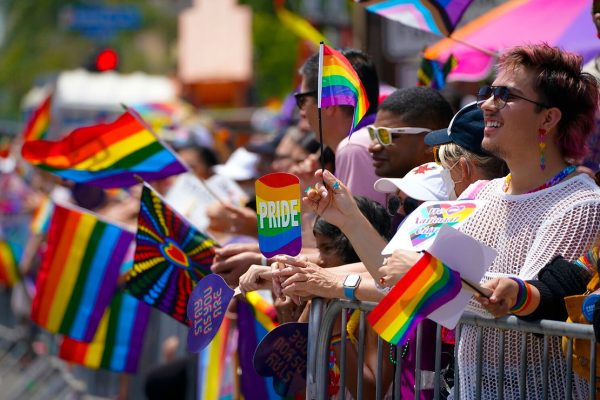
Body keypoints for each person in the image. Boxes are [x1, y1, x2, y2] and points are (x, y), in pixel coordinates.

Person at [301, 44, 600, 399]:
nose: (487, 104)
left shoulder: (582, 204)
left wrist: (422, 274)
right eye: (488, 92)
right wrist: (347, 218)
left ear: (548, 119)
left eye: (505, 95)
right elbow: (398, 276)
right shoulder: (480, 193)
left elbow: (520, 305)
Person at [295, 48, 385, 204]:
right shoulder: (373, 137)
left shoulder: (353, 148)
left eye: (302, 100)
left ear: (328, 105)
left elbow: (355, 227)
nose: (301, 113)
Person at [424, 101, 508, 197]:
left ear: (465, 168)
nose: (442, 170)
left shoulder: (461, 211)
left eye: (445, 166)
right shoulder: (524, 205)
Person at [368, 87, 454, 179]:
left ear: (432, 142)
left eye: (388, 135)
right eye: (373, 133)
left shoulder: (444, 192)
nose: (372, 147)